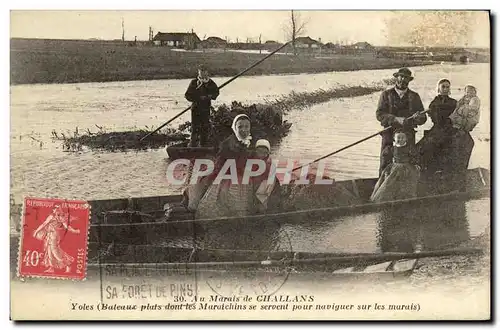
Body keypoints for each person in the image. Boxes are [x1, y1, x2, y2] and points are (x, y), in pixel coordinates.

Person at [195, 114, 257, 219]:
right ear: (234, 128)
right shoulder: (227, 145)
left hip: (244, 176)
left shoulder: (250, 141)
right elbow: (220, 165)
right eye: (240, 127)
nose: (244, 130)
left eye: (246, 127)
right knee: (226, 198)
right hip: (228, 176)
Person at [375, 68, 427, 176]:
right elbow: (379, 114)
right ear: (396, 78)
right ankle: (382, 186)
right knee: (386, 161)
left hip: (408, 134)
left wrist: (418, 117)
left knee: (409, 162)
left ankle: (406, 188)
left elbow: (423, 118)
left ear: (409, 80)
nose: (403, 80)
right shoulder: (386, 94)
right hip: (389, 133)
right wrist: (395, 119)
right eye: (401, 77)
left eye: (406, 78)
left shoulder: (414, 96)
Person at [416, 78, 458, 175]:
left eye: (447, 87)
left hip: (449, 129)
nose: (445, 89)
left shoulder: (454, 102)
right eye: (443, 87)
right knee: (421, 147)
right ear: (438, 88)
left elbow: (456, 116)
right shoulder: (434, 102)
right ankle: (425, 171)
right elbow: (434, 118)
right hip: (437, 128)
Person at [370, 131, 421, 202]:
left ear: (406, 139)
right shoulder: (391, 149)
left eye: (403, 138)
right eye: (398, 138)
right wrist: (387, 168)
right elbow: (386, 158)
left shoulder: (409, 148)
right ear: (394, 138)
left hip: (406, 168)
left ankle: (404, 198)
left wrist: (415, 164)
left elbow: (414, 157)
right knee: (389, 182)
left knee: (406, 183)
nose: (400, 139)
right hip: (395, 167)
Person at [447, 85, 481, 191]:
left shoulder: (474, 101)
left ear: (474, 92)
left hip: (464, 128)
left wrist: (462, 114)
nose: (468, 94)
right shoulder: (462, 101)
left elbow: (471, 115)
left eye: (471, 92)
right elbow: (456, 113)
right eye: (467, 92)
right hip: (458, 128)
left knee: (460, 158)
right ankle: (457, 183)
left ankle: (459, 184)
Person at [32, 205, 80, 273]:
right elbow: (43, 224)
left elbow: (67, 227)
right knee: (49, 253)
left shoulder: (61, 218)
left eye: (57, 208)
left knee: (56, 252)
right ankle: (51, 268)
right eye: (54, 208)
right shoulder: (51, 216)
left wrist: (74, 231)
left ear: (60, 209)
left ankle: (68, 265)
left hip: (55, 236)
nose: (55, 210)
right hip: (49, 235)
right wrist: (36, 231)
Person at [184, 65, 220, 147]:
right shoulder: (194, 82)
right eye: (201, 71)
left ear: (207, 72)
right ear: (198, 72)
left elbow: (216, 92)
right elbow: (187, 95)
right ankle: (193, 145)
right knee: (195, 127)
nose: (203, 73)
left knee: (205, 126)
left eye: (204, 71)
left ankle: (203, 145)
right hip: (196, 108)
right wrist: (198, 98)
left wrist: (209, 96)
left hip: (205, 108)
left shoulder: (210, 82)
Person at [252, 139, 282, 213]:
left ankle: (263, 207)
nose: (262, 154)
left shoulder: (269, 165)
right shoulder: (252, 163)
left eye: (264, 152)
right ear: (256, 152)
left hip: (265, 190)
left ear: (267, 153)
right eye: (259, 151)